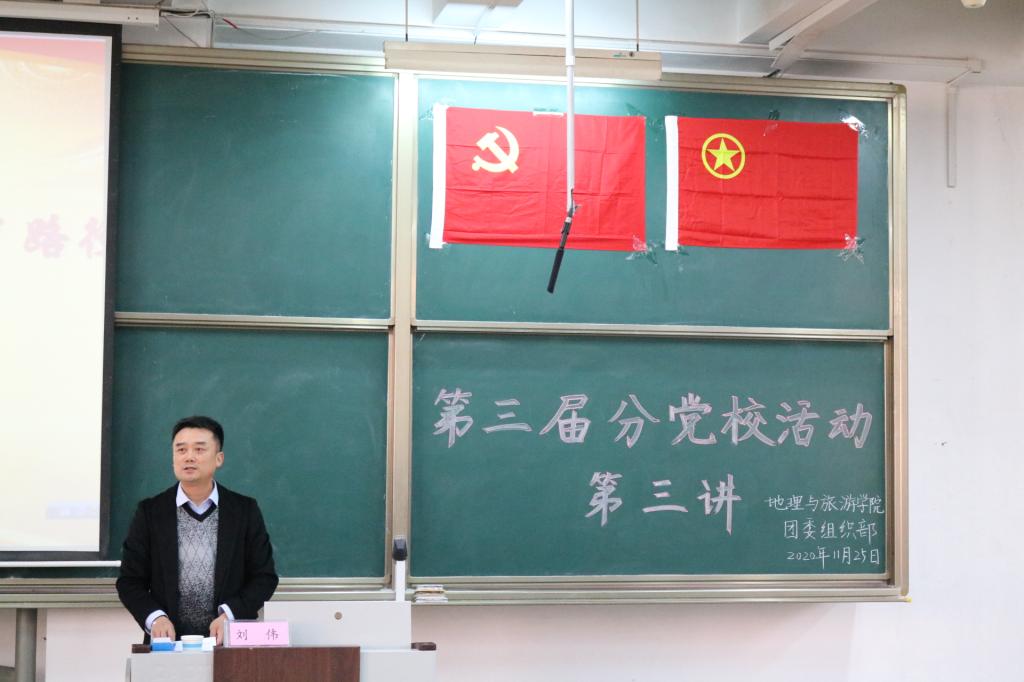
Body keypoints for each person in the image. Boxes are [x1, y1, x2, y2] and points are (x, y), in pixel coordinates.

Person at [116, 416, 278, 644]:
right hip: (169, 645)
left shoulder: (244, 511)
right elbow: (129, 581)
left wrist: (230, 615)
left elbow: (264, 577)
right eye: (181, 450)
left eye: (199, 449)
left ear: (219, 458)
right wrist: (156, 618)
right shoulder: (151, 512)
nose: (189, 457)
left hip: (228, 643)